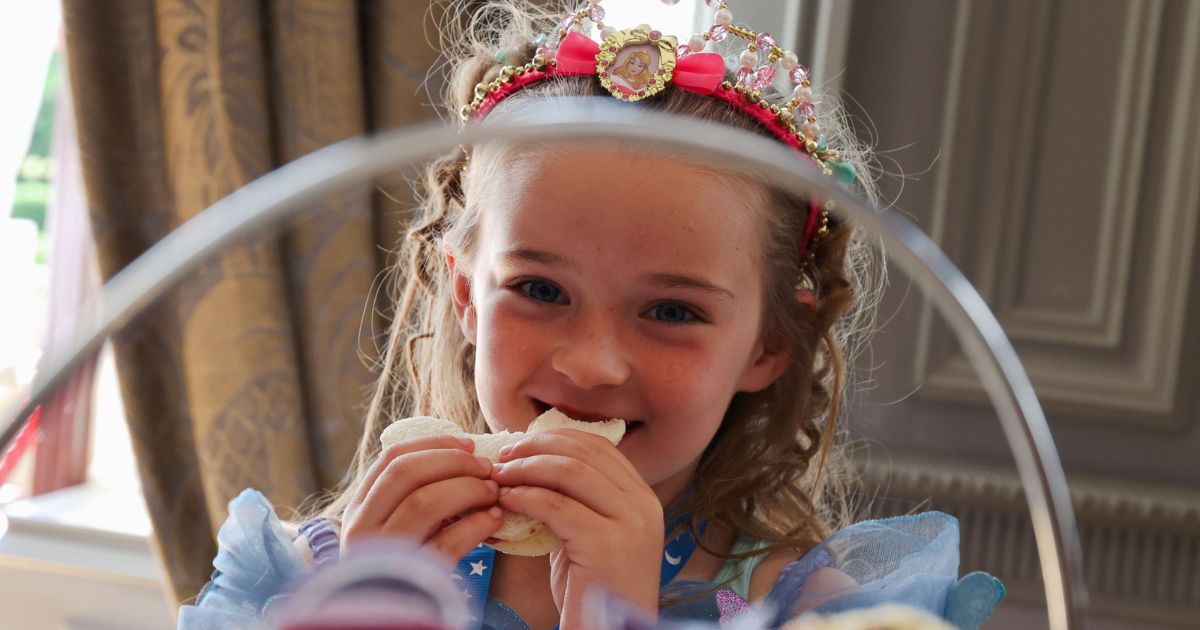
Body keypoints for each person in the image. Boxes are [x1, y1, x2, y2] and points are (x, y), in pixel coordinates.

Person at [178, 1, 1005, 628]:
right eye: (540, 290)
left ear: (767, 345)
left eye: (672, 309)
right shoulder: (309, 573)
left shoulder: (807, 613)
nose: (592, 364)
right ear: (466, 294)